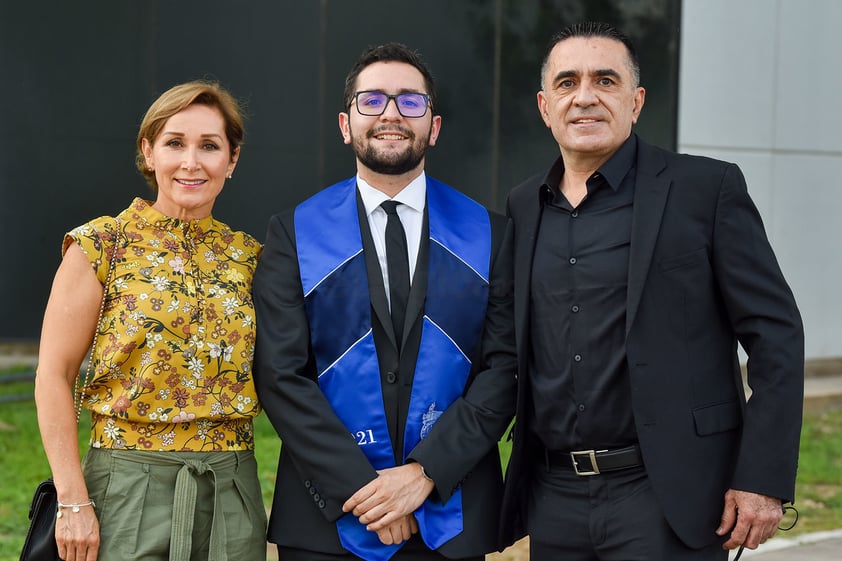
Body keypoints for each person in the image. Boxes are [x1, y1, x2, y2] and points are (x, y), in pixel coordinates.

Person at [499, 21, 804, 561]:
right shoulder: (524, 208)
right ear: (545, 107)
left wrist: (762, 477)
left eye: (606, 80)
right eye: (567, 83)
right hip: (555, 495)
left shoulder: (705, 189)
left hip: (669, 494)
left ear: (636, 101)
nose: (585, 96)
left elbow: (775, 335)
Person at [253, 42, 516, 561]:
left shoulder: (490, 235)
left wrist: (424, 475)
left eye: (410, 102)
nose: (391, 114)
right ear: (345, 124)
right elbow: (281, 375)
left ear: (433, 127)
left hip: (450, 511)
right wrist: (364, 491)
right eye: (371, 101)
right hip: (327, 520)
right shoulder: (293, 234)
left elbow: (504, 370)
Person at [34, 80, 267, 561]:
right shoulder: (101, 245)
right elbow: (53, 375)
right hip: (126, 487)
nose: (191, 162)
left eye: (209, 146)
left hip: (231, 489)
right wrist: (72, 500)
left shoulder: (250, 258)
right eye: (175, 143)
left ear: (233, 158)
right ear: (148, 151)